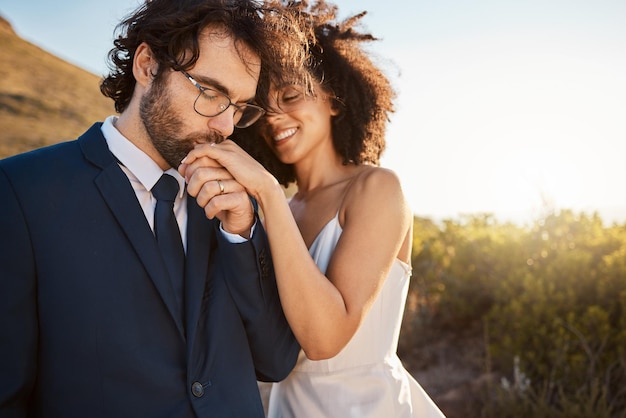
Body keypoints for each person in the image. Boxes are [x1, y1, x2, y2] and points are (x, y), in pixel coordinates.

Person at [0, 1, 307, 416]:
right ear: (147, 66)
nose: (225, 126)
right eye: (211, 93)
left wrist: (243, 234)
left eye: (238, 107)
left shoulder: (236, 206)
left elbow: (275, 360)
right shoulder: (22, 191)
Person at [180, 1, 446, 416]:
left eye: (291, 96)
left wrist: (267, 193)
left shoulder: (377, 188)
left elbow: (325, 339)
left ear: (334, 101)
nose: (275, 118)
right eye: (264, 108)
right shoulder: (272, 209)